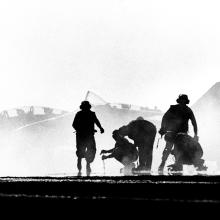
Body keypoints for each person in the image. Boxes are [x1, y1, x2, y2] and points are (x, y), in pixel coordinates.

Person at [158, 94, 199, 172]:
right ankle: (163, 163)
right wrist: (163, 128)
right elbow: (165, 117)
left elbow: (194, 123)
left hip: (182, 134)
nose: (182, 102)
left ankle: (178, 164)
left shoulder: (188, 110)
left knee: (179, 149)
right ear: (179, 100)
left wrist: (195, 134)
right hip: (172, 132)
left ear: (186, 101)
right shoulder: (173, 108)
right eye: (181, 100)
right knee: (168, 148)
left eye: (184, 100)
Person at [72, 101, 104, 175]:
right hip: (84, 136)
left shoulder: (89, 114)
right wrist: (100, 128)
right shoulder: (80, 114)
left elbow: (96, 121)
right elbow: (74, 125)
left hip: (85, 136)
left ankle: (86, 164)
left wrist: (101, 128)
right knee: (84, 150)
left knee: (90, 150)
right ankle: (83, 163)